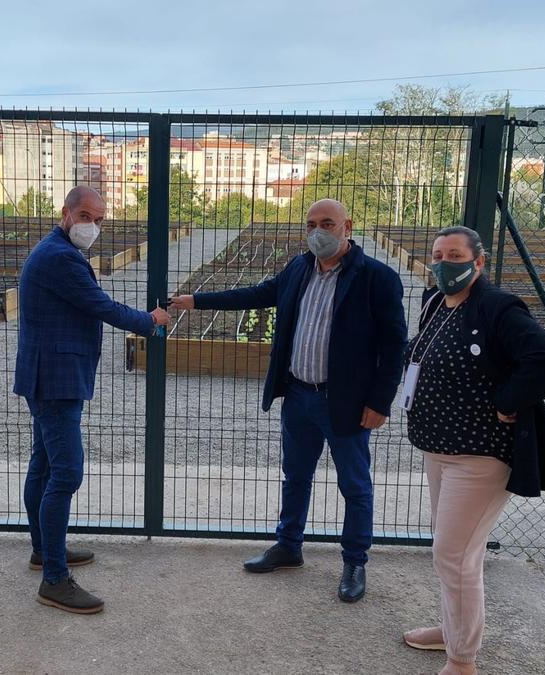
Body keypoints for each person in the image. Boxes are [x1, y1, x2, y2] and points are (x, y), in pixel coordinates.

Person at [169, 199, 407, 603]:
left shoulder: (376, 278)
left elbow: (394, 345)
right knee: (295, 477)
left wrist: (380, 403)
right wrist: (197, 301)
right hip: (298, 396)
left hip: (345, 402)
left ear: (347, 226)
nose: (318, 231)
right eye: (311, 224)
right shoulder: (299, 267)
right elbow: (258, 294)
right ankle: (288, 546)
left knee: (355, 485)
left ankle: (354, 561)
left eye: (327, 223)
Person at [399, 226, 545, 675]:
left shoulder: (497, 307)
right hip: (438, 449)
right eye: (436, 255)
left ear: (478, 262)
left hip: (480, 455)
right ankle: (452, 630)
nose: (443, 263)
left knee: (453, 554)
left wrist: (508, 400)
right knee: (456, 551)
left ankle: (462, 661)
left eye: (454, 254)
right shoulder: (435, 302)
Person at [14, 185, 170, 614]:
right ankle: (54, 579)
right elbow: (100, 305)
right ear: (65, 212)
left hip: (49, 373)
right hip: (56, 379)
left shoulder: (54, 250)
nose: (93, 226)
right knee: (65, 473)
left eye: (99, 220)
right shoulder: (61, 257)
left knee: (43, 466)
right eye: (86, 216)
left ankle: (45, 551)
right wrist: (150, 321)